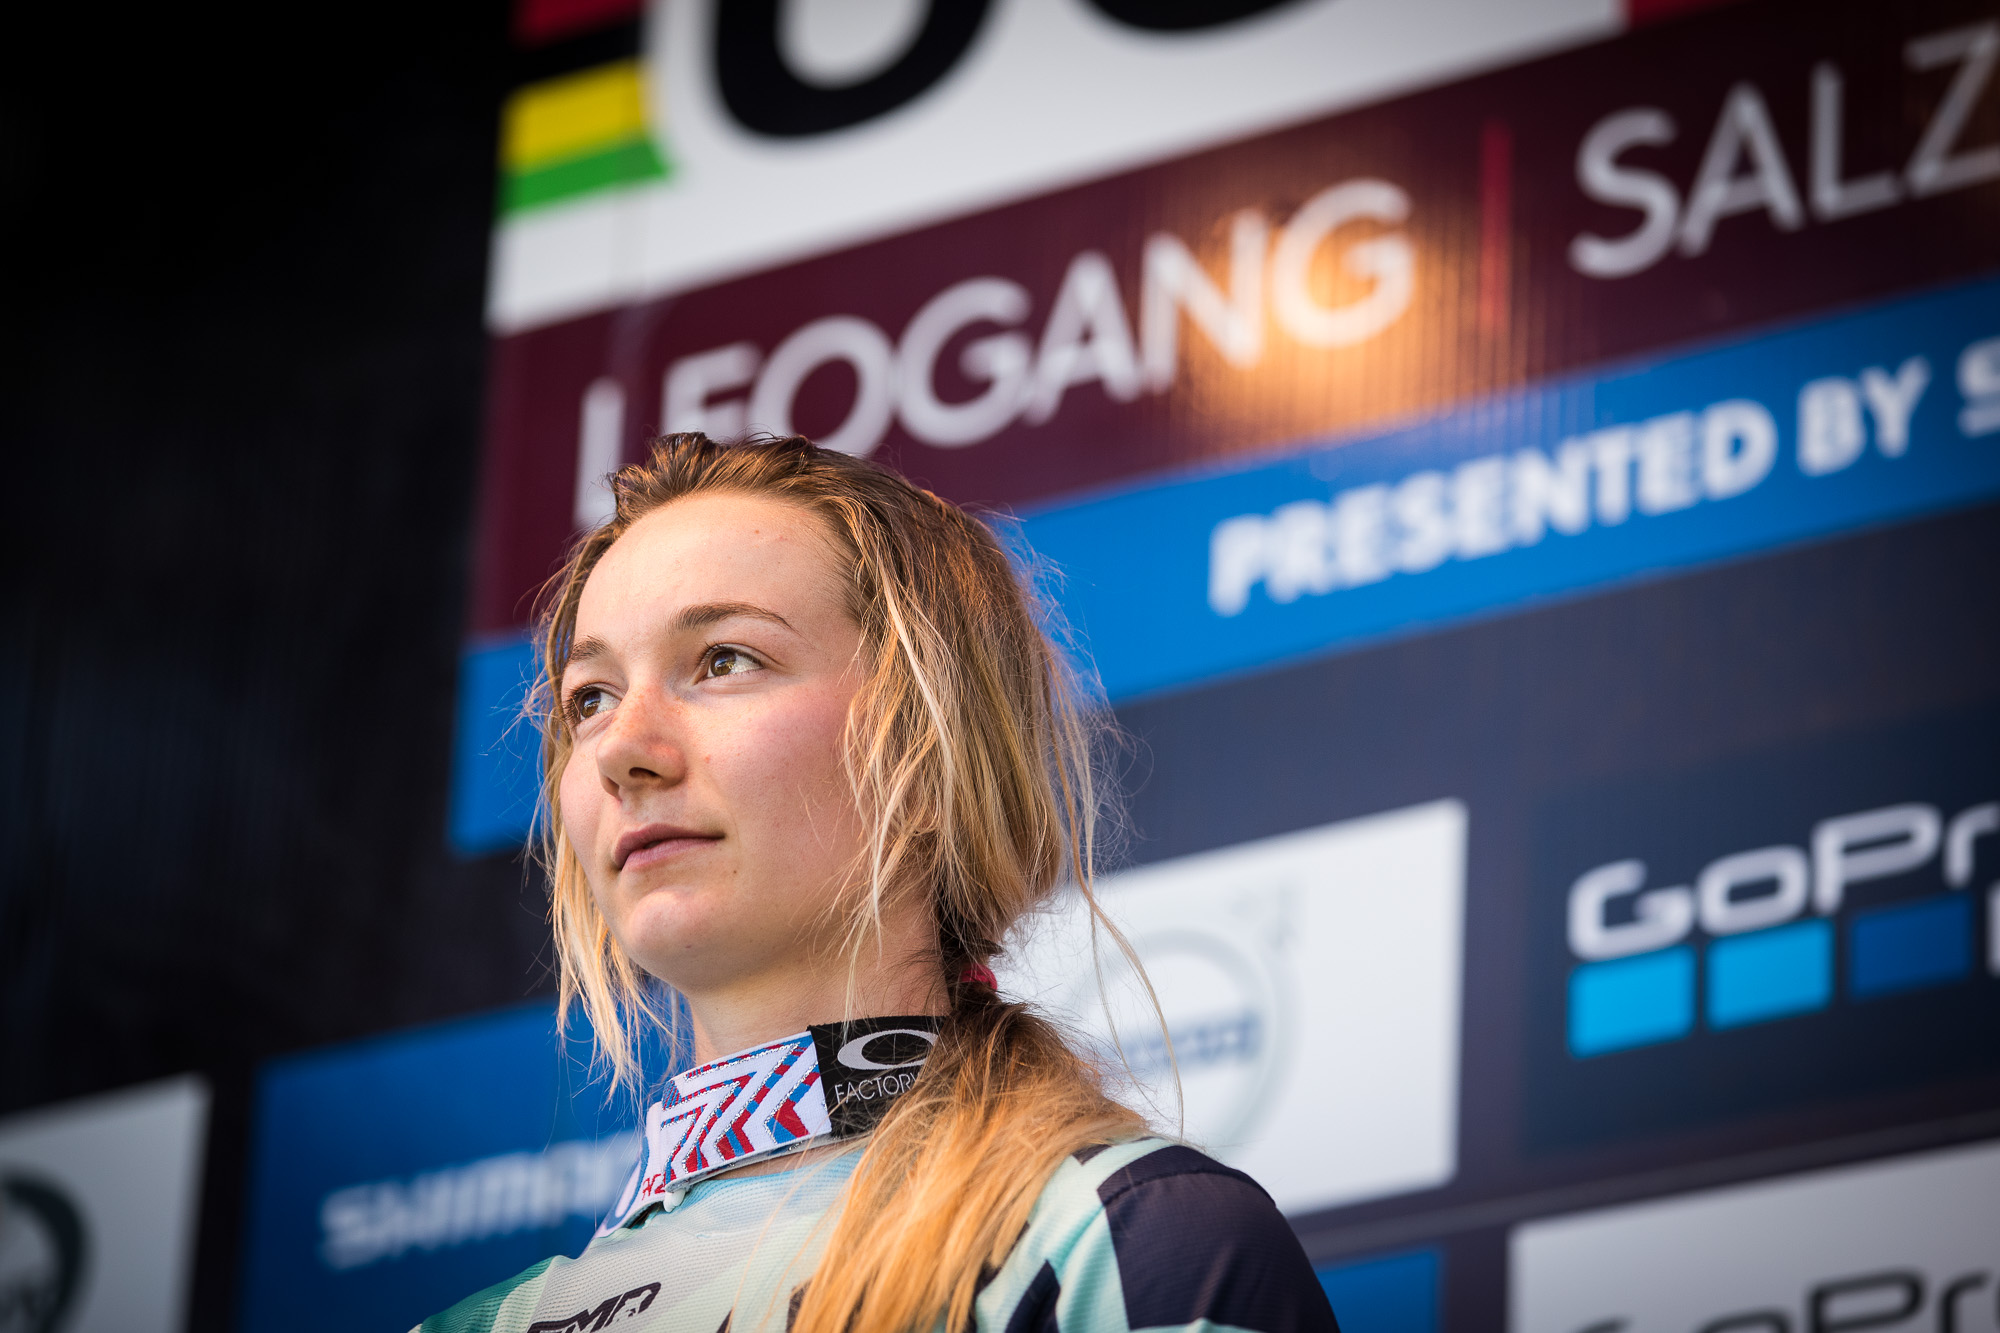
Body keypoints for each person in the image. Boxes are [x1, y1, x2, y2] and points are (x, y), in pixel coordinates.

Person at [417, 434, 1342, 1333]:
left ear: (930, 747)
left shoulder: (1114, 1238)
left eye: (724, 660)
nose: (621, 748)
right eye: (591, 696)